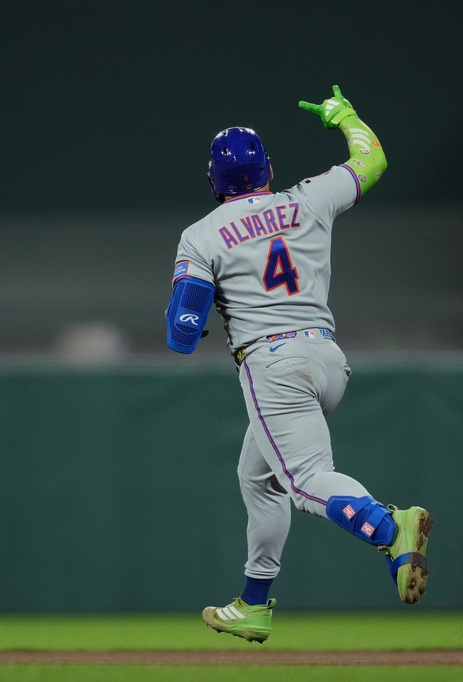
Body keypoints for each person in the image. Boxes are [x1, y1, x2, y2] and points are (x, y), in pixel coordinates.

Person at [164, 86, 433, 644]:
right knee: (256, 476)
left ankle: (391, 529)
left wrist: (202, 304)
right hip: (328, 359)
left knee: (305, 482)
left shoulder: (201, 236)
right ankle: (255, 603)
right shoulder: (307, 198)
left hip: (274, 365)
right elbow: (372, 160)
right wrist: (347, 116)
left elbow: (181, 335)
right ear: (267, 168)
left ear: (214, 179)